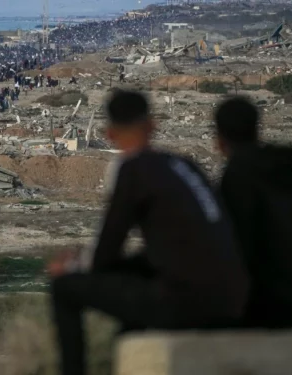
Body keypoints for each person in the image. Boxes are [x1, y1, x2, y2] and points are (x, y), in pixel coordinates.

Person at [48, 90, 249, 375]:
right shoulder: (185, 165)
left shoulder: (134, 170)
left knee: (64, 288)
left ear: (110, 135)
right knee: (132, 302)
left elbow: (106, 252)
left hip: (187, 303)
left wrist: (72, 266)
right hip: (232, 299)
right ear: (152, 125)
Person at [214, 97, 292, 329]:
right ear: (257, 129)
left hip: (267, 305)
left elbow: (236, 249)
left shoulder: (240, 177)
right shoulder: (289, 175)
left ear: (219, 139)